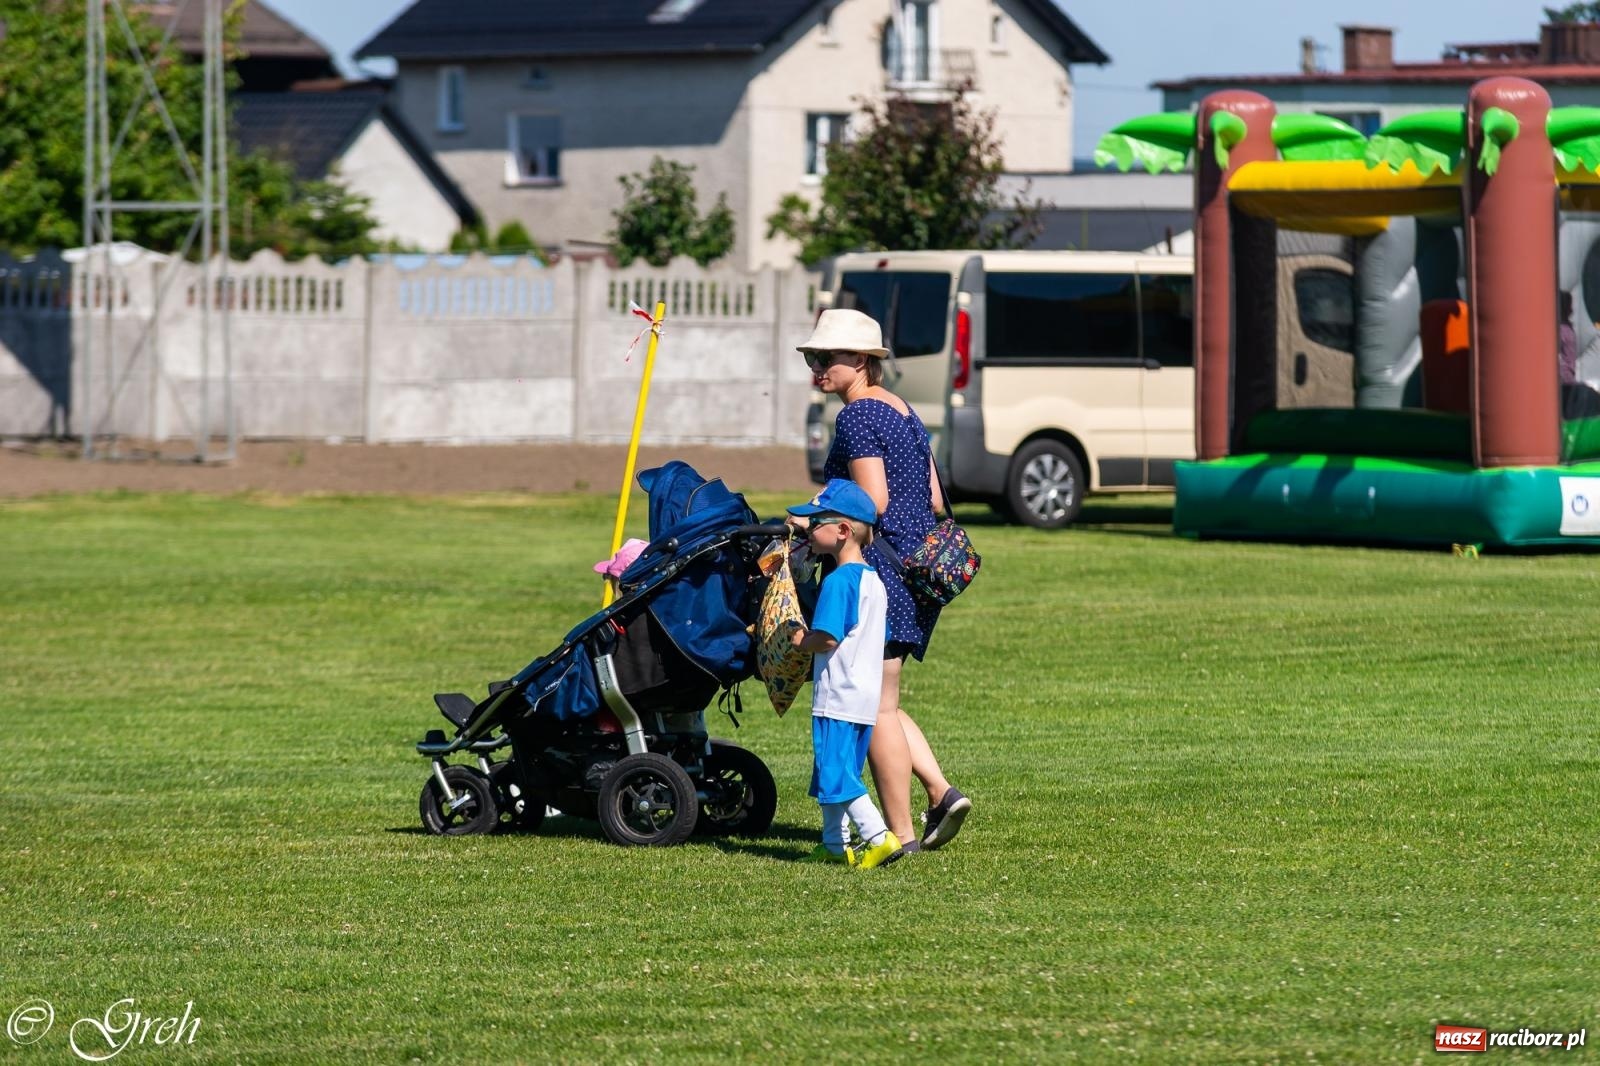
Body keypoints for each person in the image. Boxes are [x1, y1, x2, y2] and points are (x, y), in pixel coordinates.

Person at [796, 308, 971, 853]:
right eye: (813, 358)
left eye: (828, 358)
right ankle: (941, 793)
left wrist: (812, 521)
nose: (818, 368)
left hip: (881, 570)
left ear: (864, 361)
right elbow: (936, 499)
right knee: (885, 701)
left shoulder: (856, 417)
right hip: (918, 566)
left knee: (874, 708)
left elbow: (874, 501)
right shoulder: (903, 410)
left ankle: (900, 834)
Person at [787, 478, 902, 869]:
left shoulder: (837, 582)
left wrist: (800, 639)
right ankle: (834, 845)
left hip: (837, 697)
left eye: (816, 521)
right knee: (834, 771)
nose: (809, 528)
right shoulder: (874, 582)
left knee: (836, 775)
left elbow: (828, 640)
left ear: (842, 531)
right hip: (865, 698)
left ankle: (878, 838)